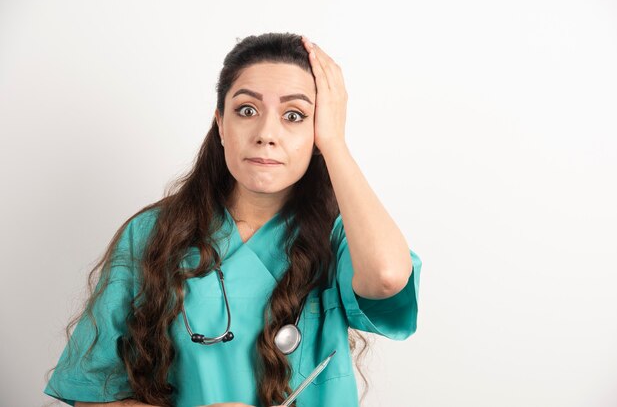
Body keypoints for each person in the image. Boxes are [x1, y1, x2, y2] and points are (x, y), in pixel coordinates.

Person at [43, 32, 423, 407]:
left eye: (295, 115)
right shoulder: (151, 235)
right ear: (221, 124)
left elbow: (388, 277)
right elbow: (90, 394)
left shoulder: (342, 236)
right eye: (246, 110)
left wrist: (335, 144)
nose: (266, 134)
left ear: (317, 133)